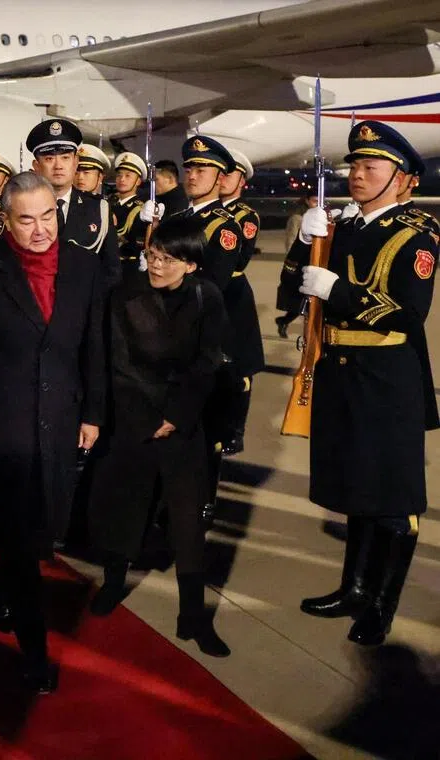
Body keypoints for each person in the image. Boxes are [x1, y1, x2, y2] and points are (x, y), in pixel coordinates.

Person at [282, 121, 438, 646]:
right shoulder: (343, 227)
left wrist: (339, 293)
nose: (358, 174)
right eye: (355, 166)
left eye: (372, 167)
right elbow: (297, 291)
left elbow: (408, 312)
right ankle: (353, 589)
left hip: (387, 379)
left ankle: (380, 607)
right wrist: (303, 246)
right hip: (340, 372)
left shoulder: (416, 234)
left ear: (404, 179)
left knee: (392, 498)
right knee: (355, 487)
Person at [0, 172, 104, 691]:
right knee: (23, 536)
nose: (41, 228)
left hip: (64, 416)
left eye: (49, 215)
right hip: (5, 419)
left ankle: (4, 583)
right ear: (7, 221)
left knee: (45, 524)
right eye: (27, 219)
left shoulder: (84, 266)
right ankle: (34, 648)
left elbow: (94, 344)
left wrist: (93, 412)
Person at [87, 215, 230, 658]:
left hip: (183, 425)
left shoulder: (208, 298)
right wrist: (149, 418)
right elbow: (117, 364)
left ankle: (193, 616)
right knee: (124, 509)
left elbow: (208, 363)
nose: (157, 266)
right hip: (135, 419)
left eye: (169, 259)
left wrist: (177, 416)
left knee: (189, 522)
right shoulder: (124, 295)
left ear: (191, 265)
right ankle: (113, 584)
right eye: (153, 256)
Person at [154, 136, 253, 519]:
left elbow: (212, 284)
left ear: (221, 177)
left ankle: (203, 499)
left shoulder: (223, 227)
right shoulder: (178, 219)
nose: (193, 176)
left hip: (204, 336)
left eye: (203, 169)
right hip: (169, 335)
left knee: (204, 425)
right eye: (189, 168)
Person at [27, 118, 121, 287]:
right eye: (49, 159)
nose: (58, 166)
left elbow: (111, 272)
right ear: (36, 166)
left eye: (65, 158)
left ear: (76, 162)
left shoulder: (98, 209)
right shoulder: (23, 209)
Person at [215, 146, 265, 456]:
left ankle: (235, 429)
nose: (223, 179)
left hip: (232, 295)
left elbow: (240, 257)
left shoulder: (245, 216)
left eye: (230, 174)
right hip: (212, 291)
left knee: (237, 368)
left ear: (241, 180)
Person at [276, 191, 319, 338]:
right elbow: (291, 241)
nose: (317, 204)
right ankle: (285, 321)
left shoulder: (319, 217)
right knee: (301, 300)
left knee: (306, 301)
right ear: (307, 201)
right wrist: (292, 264)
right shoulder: (297, 218)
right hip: (300, 264)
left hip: (314, 263)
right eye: (314, 200)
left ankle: (284, 320)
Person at [109, 151, 150, 283]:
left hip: (128, 268)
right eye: (119, 175)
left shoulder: (142, 208)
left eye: (128, 176)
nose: (122, 180)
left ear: (138, 181)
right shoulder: (108, 202)